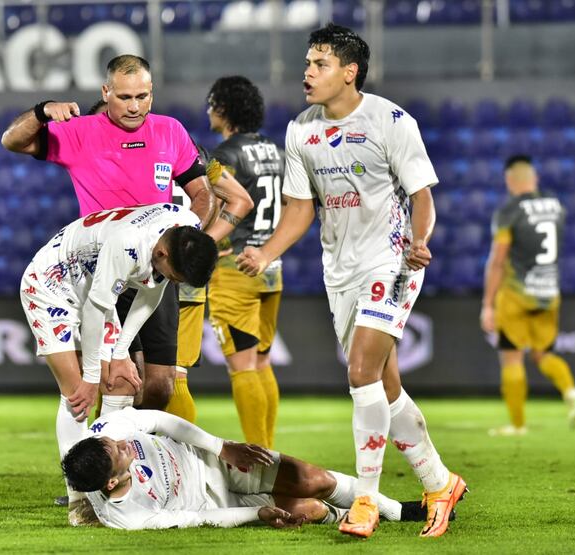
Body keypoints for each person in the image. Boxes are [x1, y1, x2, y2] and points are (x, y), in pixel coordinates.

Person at [236, 24, 465, 538]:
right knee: (384, 384)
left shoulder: (390, 120)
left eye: (319, 64)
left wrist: (421, 239)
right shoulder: (302, 130)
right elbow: (300, 210)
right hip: (339, 271)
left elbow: (422, 194)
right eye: (307, 63)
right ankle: (439, 481)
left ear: (349, 71)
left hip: (392, 262)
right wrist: (265, 253)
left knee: (360, 372)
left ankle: (365, 500)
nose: (308, 73)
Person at [2, 54, 217, 413]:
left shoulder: (170, 130)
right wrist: (41, 112)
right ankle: (110, 461)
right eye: (124, 97)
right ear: (106, 91)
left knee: (162, 384)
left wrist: (185, 237)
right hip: (107, 268)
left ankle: (142, 458)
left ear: (152, 93)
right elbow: (12, 140)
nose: (135, 106)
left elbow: (204, 195)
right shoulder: (80, 132)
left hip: (156, 270)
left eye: (142, 97)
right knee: (116, 380)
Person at [19, 202, 218, 524]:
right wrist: (93, 375)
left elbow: (151, 292)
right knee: (79, 395)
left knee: (122, 381)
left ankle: (103, 482)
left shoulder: (184, 228)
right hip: (51, 286)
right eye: (175, 275)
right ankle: (80, 501)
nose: (173, 281)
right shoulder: (128, 245)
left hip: (94, 287)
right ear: (163, 255)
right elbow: (95, 311)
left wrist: (121, 350)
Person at [61, 407, 448, 530]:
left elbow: (162, 422)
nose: (122, 443)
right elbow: (195, 518)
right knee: (310, 510)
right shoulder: (129, 518)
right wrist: (256, 514)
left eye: (112, 442)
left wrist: (221, 446)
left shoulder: (106, 432)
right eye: (118, 452)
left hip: (214, 462)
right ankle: (346, 517)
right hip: (215, 501)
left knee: (313, 479)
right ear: (112, 481)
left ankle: (398, 510)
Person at [205, 76, 285, 449]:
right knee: (263, 363)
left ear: (223, 109)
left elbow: (218, 207)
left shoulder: (224, 155)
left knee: (242, 367)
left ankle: (261, 463)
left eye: (211, 104)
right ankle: (270, 451)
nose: (208, 110)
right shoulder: (274, 150)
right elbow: (289, 205)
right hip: (270, 266)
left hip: (234, 268)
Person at [480, 155, 575, 436]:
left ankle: (517, 425)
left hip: (517, 294)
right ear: (534, 178)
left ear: (509, 180)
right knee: (543, 354)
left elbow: (498, 260)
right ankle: (571, 390)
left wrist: (487, 304)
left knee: (512, 358)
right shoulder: (556, 206)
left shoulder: (509, 211)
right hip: (549, 292)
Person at [168, 147, 255, 423]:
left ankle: (114, 460)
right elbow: (241, 200)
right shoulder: (196, 157)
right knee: (176, 376)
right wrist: (201, 245)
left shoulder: (131, 151)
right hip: (185, 279)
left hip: (140, 270)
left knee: (120, 373)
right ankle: (178, 462)